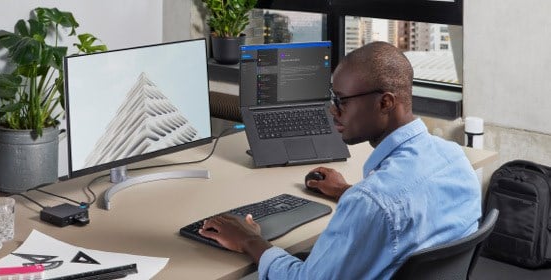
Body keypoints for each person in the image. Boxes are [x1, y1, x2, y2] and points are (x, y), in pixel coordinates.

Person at [199, 41, 482, 279]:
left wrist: (249, 239)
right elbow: (409, 213)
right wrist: (348, 192)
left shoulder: (371, 203)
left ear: (385, 103)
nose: (332, 110)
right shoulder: (455, 159)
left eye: (342, 101)